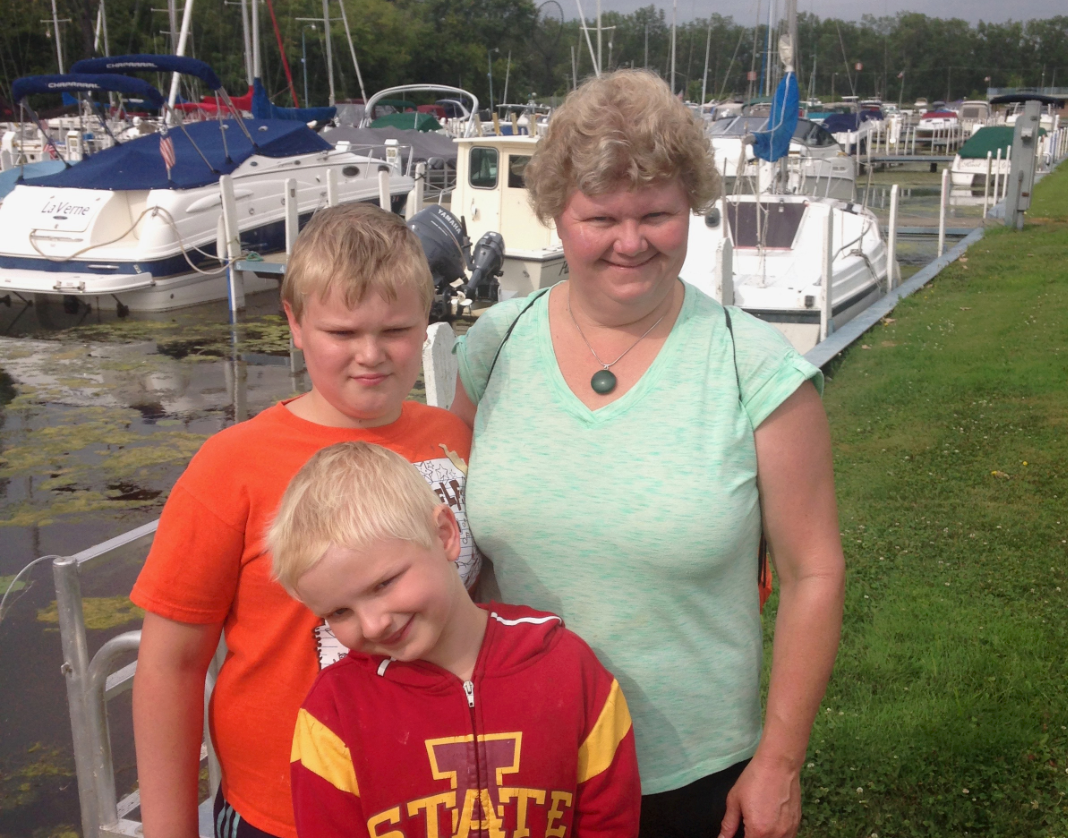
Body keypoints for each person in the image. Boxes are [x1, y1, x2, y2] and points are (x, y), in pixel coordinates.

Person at [450, 69, 846, 838]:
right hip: (514, 762)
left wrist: (778, 763)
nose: (629, 243)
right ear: (556, 215)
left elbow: (813, 574)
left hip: (692, 778)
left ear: (690, 207)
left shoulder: (753, 366)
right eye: (600, 217)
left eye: (656, 215)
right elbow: (447, 540)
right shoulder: (495, 345)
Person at [130, 203, 481, 838]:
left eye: (396, 329)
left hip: (442, 799)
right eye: (342, 333)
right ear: (294, 322)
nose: (371, 355)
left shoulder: (452, 438)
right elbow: (169, 667)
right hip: (286, 812)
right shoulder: (230, 467)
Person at [267, 441, 642, 837]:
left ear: (445, 534)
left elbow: (609, 821)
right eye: (340, 612)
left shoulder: (567, 667)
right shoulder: (334, 711)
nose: (373, 625)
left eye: (383, 584)